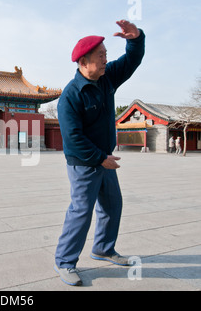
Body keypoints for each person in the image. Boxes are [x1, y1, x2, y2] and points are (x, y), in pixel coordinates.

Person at [54, 20, 145, 286]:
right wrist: (100, 158)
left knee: (112, 205)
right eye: (101, 55)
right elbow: (72, 138)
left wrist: (136, 38)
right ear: (84, 62)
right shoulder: (71, 96)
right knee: (81, 211)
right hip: (84, 163)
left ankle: (103, 248)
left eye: (106, 54)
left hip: (104, 160)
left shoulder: (107, 79)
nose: (107, 59)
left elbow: (131, 60)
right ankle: (65, 262)